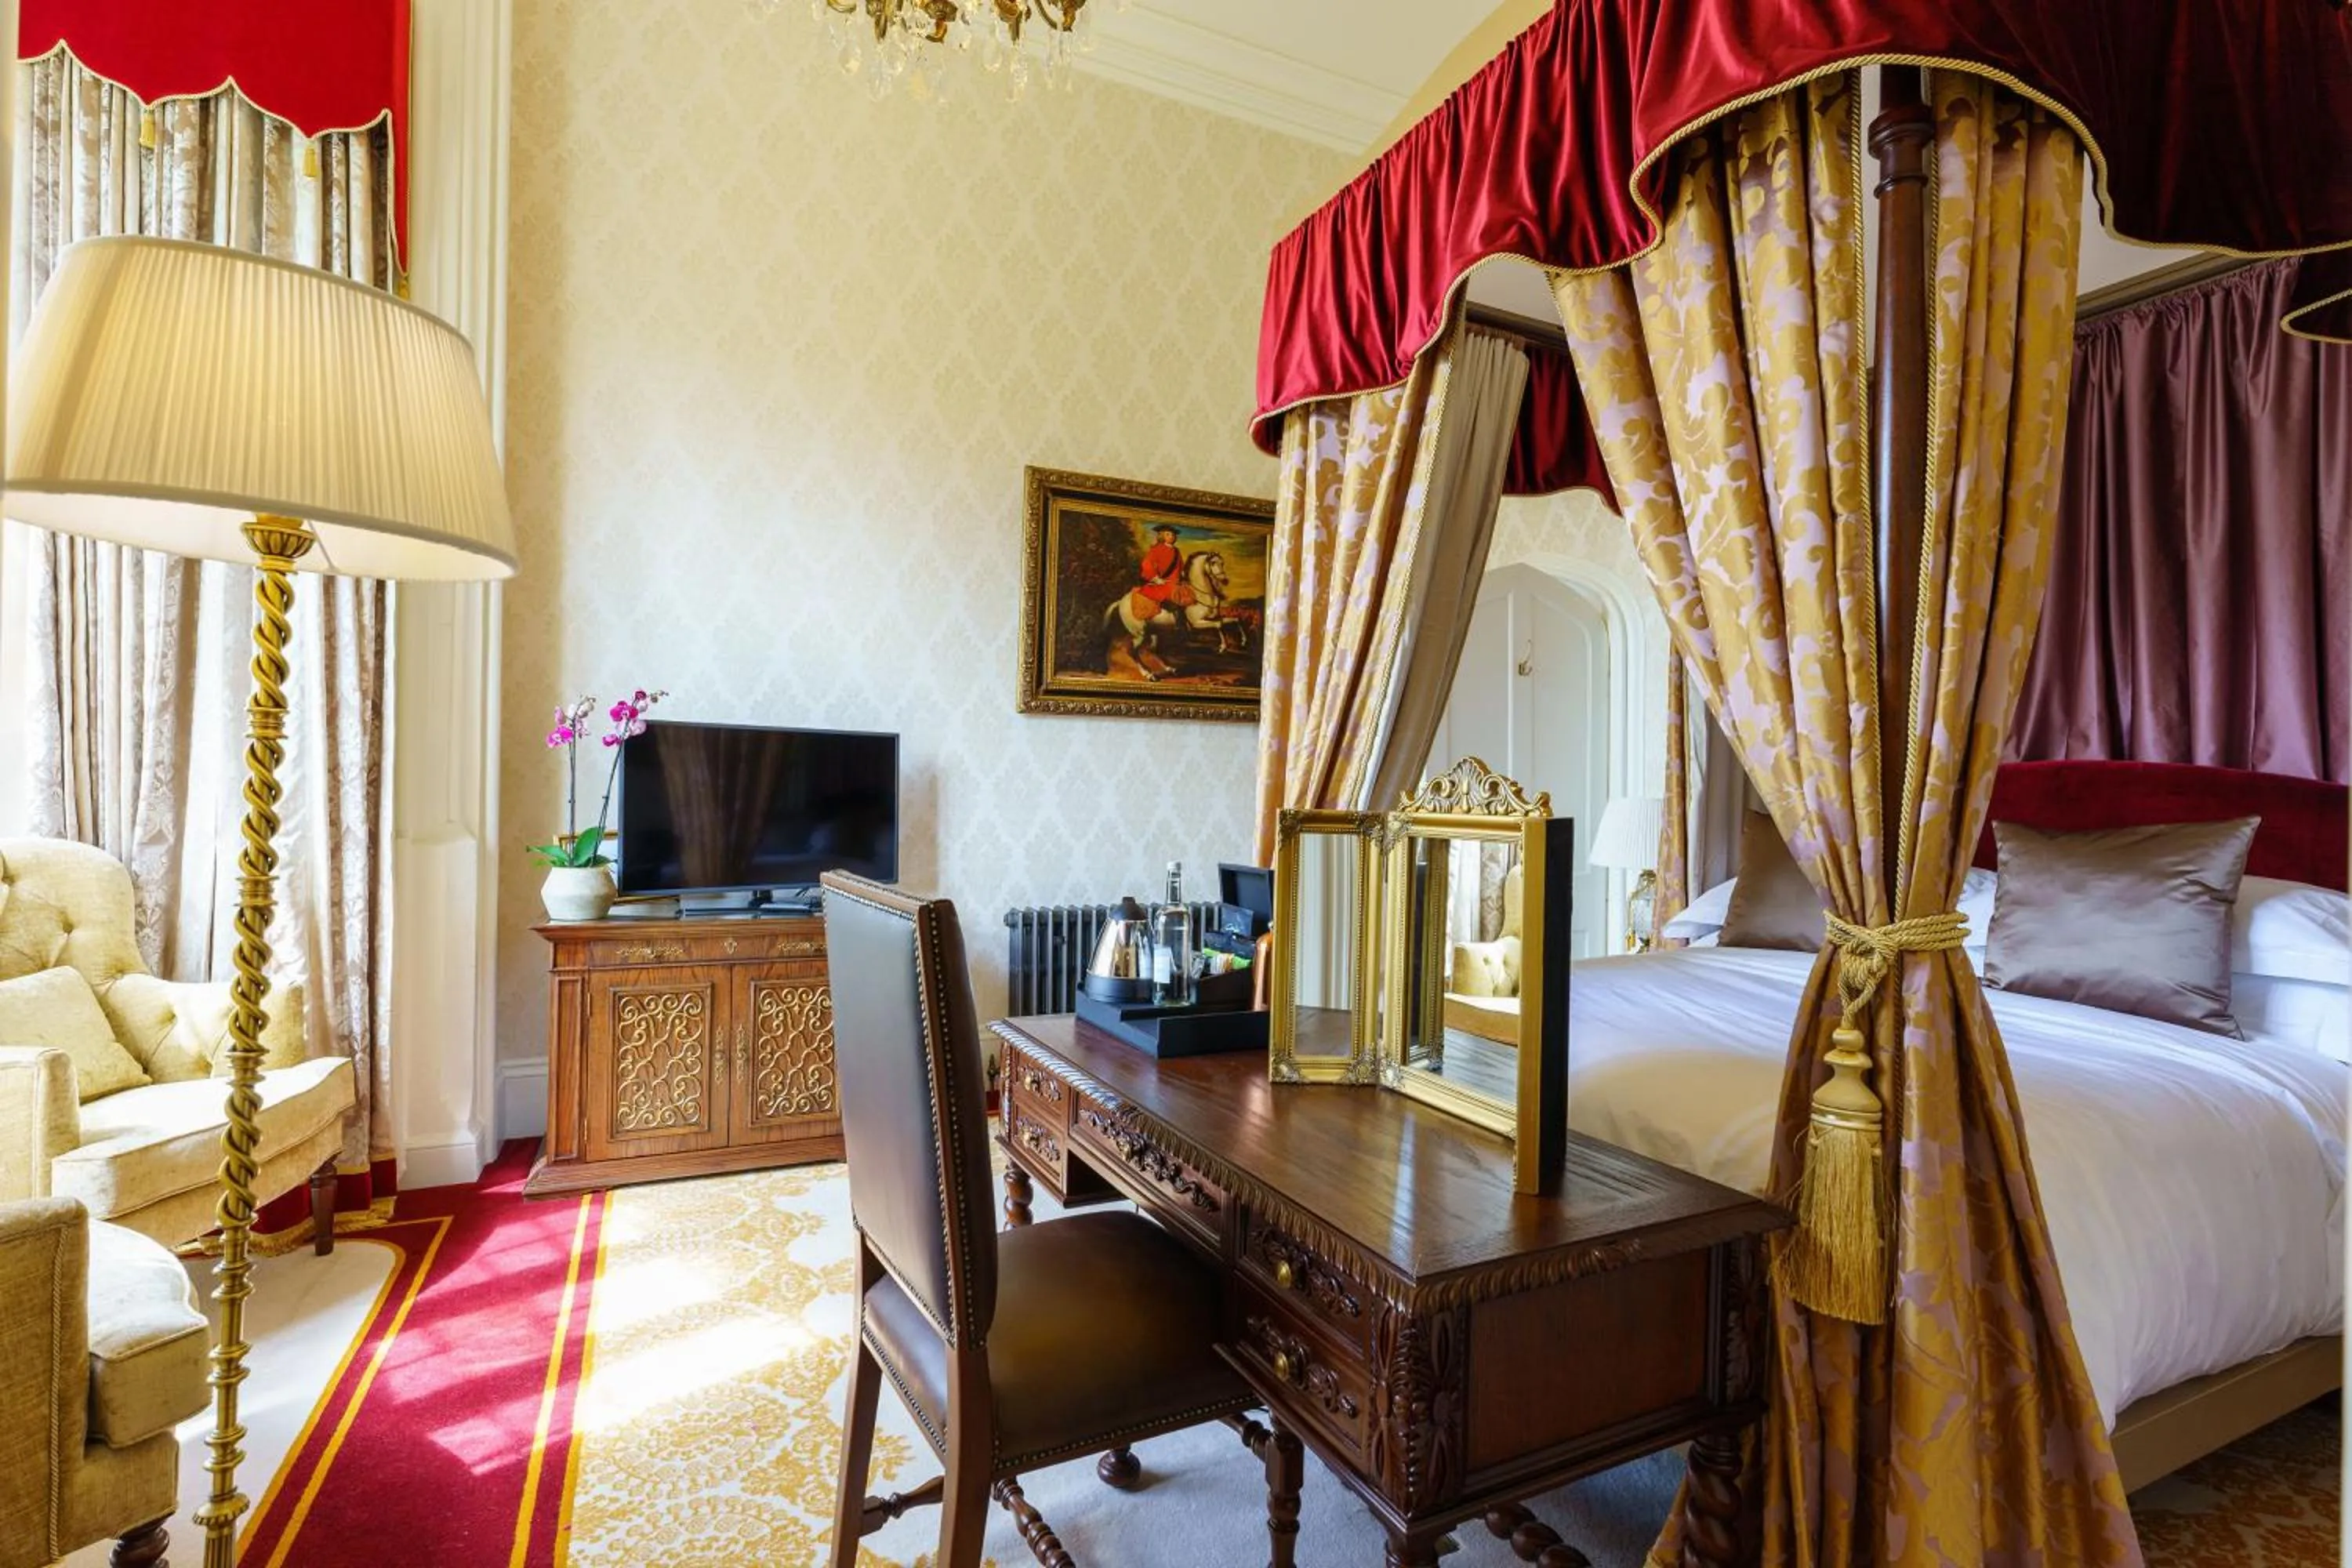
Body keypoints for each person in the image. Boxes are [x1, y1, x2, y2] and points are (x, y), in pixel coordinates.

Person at [1129, 524, 1192, 622]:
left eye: (1173, 535)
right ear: (1162, 536)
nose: (1171, 537)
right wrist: (1156, 579)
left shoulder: (1176, 551)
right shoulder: (1156, 549)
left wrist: (1183, 576)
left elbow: (1180, 566)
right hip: (1163, 582)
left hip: (1176, 582)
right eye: (1168, 534)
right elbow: (1147, 564)